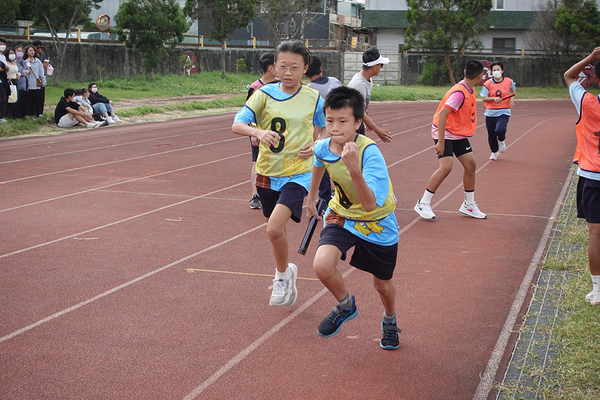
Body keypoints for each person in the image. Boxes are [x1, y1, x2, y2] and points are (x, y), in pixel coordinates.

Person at [306, 86, 401, 349]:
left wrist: (353, 167)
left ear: (359, 123)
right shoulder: (325, 145)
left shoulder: (369, 153)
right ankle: (346, 304)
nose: (334, 127)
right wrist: (312, 196)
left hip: (377, 223)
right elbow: (318, 159)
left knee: (382, 285)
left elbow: (370, 204)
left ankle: (390, 320)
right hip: (342, 215)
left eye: (343, 121)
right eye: (329, 121)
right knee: (322, 265)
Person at [232, 40, 326, 307]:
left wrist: (317, 144)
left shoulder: (313, 97)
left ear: (305, 69)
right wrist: (258, 132)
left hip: (299, 173)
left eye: (294, 67)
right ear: (274, 67)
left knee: (273, 229)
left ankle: (281, 276)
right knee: (276, 231)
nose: (287, 72)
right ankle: (287, 271)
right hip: (266, 173)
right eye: (282, 66)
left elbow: (326, 127)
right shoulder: (264, 94)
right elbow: (237, 124)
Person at [414, 60, 486, 220]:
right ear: (481, 76)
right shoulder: (459, 94)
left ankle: (468, 205)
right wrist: (440, 141)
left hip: (457, 133)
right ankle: (423, 203)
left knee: (470, 164)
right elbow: (442, 115)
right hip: (444, 132)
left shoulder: (469, 89)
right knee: (446, 167)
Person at [564, 47, 600, 306]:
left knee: (595, 233)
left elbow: (568, 76)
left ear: (596, 78)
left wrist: (590, 58)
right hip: (591, 174)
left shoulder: (587, 101)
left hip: (591, 175)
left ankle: (598, 289)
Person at [306, 55, 342, 205]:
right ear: (321, 69)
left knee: (321, 158)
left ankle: (325, 195)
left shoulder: (308, 91)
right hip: (341, 125)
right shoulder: (335, 81)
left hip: (322, 127)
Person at [246, 52, 279, 209]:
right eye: (279, 65)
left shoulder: (279, 85)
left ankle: (275, 191)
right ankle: (255, 195)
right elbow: (249, 111)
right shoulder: (255, 87)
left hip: (275, 131)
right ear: (271, 68)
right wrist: (254, 131)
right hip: (259, 131)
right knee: (256, 161)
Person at [347, 47, 392, 143]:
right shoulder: (358, 85)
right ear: (374, 66)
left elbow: (362, 106)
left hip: (357, 122)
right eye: (381, 65)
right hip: (350, 126)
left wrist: (366, 119)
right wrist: (377, 130)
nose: (381, 68)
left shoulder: (367, 79)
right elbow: (359, 111)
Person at [480, 62, 516, 160]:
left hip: (504, 110)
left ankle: (501, 140)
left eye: (498, 69)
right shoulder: (488, 84)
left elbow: (513, 90)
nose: (496, 72)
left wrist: (512, 99)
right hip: (490, 112)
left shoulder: (509, 81)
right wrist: (493, 98)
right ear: (491, 72)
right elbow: (484, 98)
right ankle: (494, 152)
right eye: (494, 70)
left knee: (500, 129)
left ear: (502, 71)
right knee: (491, 134)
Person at [23, 45, 45, 117]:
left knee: (37, 98)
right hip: (29, 83)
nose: (32, 52)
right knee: (30, 99)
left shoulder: (38, 61)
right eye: (30, 51)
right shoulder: (25, 62)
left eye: (33, 51)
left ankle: (38, 113)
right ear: (26, 52)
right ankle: (30, 113)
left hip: (36, 83)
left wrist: (43, 81)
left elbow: (41, 72)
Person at [3, 48, 21, 119]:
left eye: (13, 53)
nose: (12, 54)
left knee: (14, 98)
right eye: (10, 53)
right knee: (9, 98)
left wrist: (18, 74)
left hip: (15, 81)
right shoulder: (5, 63)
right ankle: (7, 114)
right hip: (8, 81)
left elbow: (17, 71)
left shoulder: (14, 63)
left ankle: (14, 114)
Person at [14, 46, 29, 119]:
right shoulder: (15, 61)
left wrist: (25, 72)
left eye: (21, 51)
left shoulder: (23, 61)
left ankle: (22, 114)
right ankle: (18, 115)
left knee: (24, 101)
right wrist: (24, 73)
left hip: (25, 84)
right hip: (19, 84)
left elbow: (28, 70)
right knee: (19, 101)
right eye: (18, 50)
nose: (20, 52)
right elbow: (19, 71)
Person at [0, 38, 8, 122]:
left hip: (4, 78)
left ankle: (2, 115)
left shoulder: (3, 57)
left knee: (5, 97)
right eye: (1, 44)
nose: (3, 46)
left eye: (4, 44)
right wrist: (5, 68)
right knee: (2, 97)